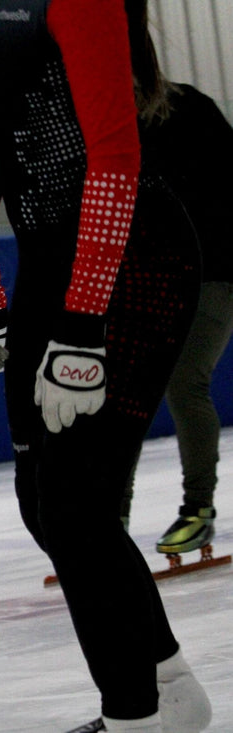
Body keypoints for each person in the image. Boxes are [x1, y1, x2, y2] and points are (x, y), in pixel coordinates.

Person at [0, 1, 210, 729]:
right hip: (47, 264)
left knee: (74, 503)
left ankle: (136, 715)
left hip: (135, 261)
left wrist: (83, 322)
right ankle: (169, 687)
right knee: (46, 505)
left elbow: (116, 160)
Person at [119, 81, 233, 557]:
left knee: (185, 382)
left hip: (212, 269)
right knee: (121, 394)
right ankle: (108, 520)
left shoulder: (188, 107)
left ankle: (197, 510)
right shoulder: (102, 119)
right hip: (150, 275)